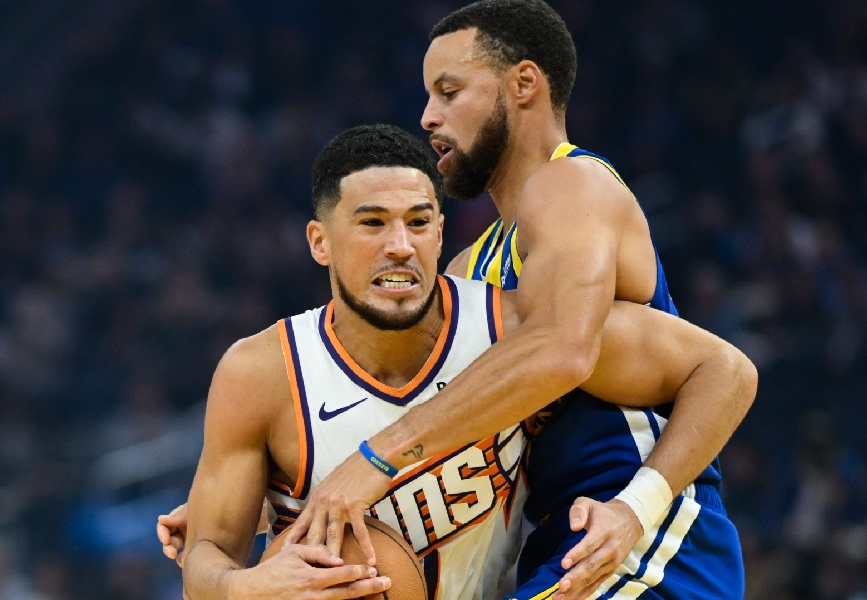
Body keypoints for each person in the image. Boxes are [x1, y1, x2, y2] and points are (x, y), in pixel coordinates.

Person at [255, 2, 750, 599]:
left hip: (641, 542)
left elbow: (567, 352)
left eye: (449, 91)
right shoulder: (471, 266)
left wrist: (636, 507)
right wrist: (284, 497)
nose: (428, 116)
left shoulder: (572, 185)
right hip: (557, 547)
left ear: (523, 84)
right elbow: (423, 412)